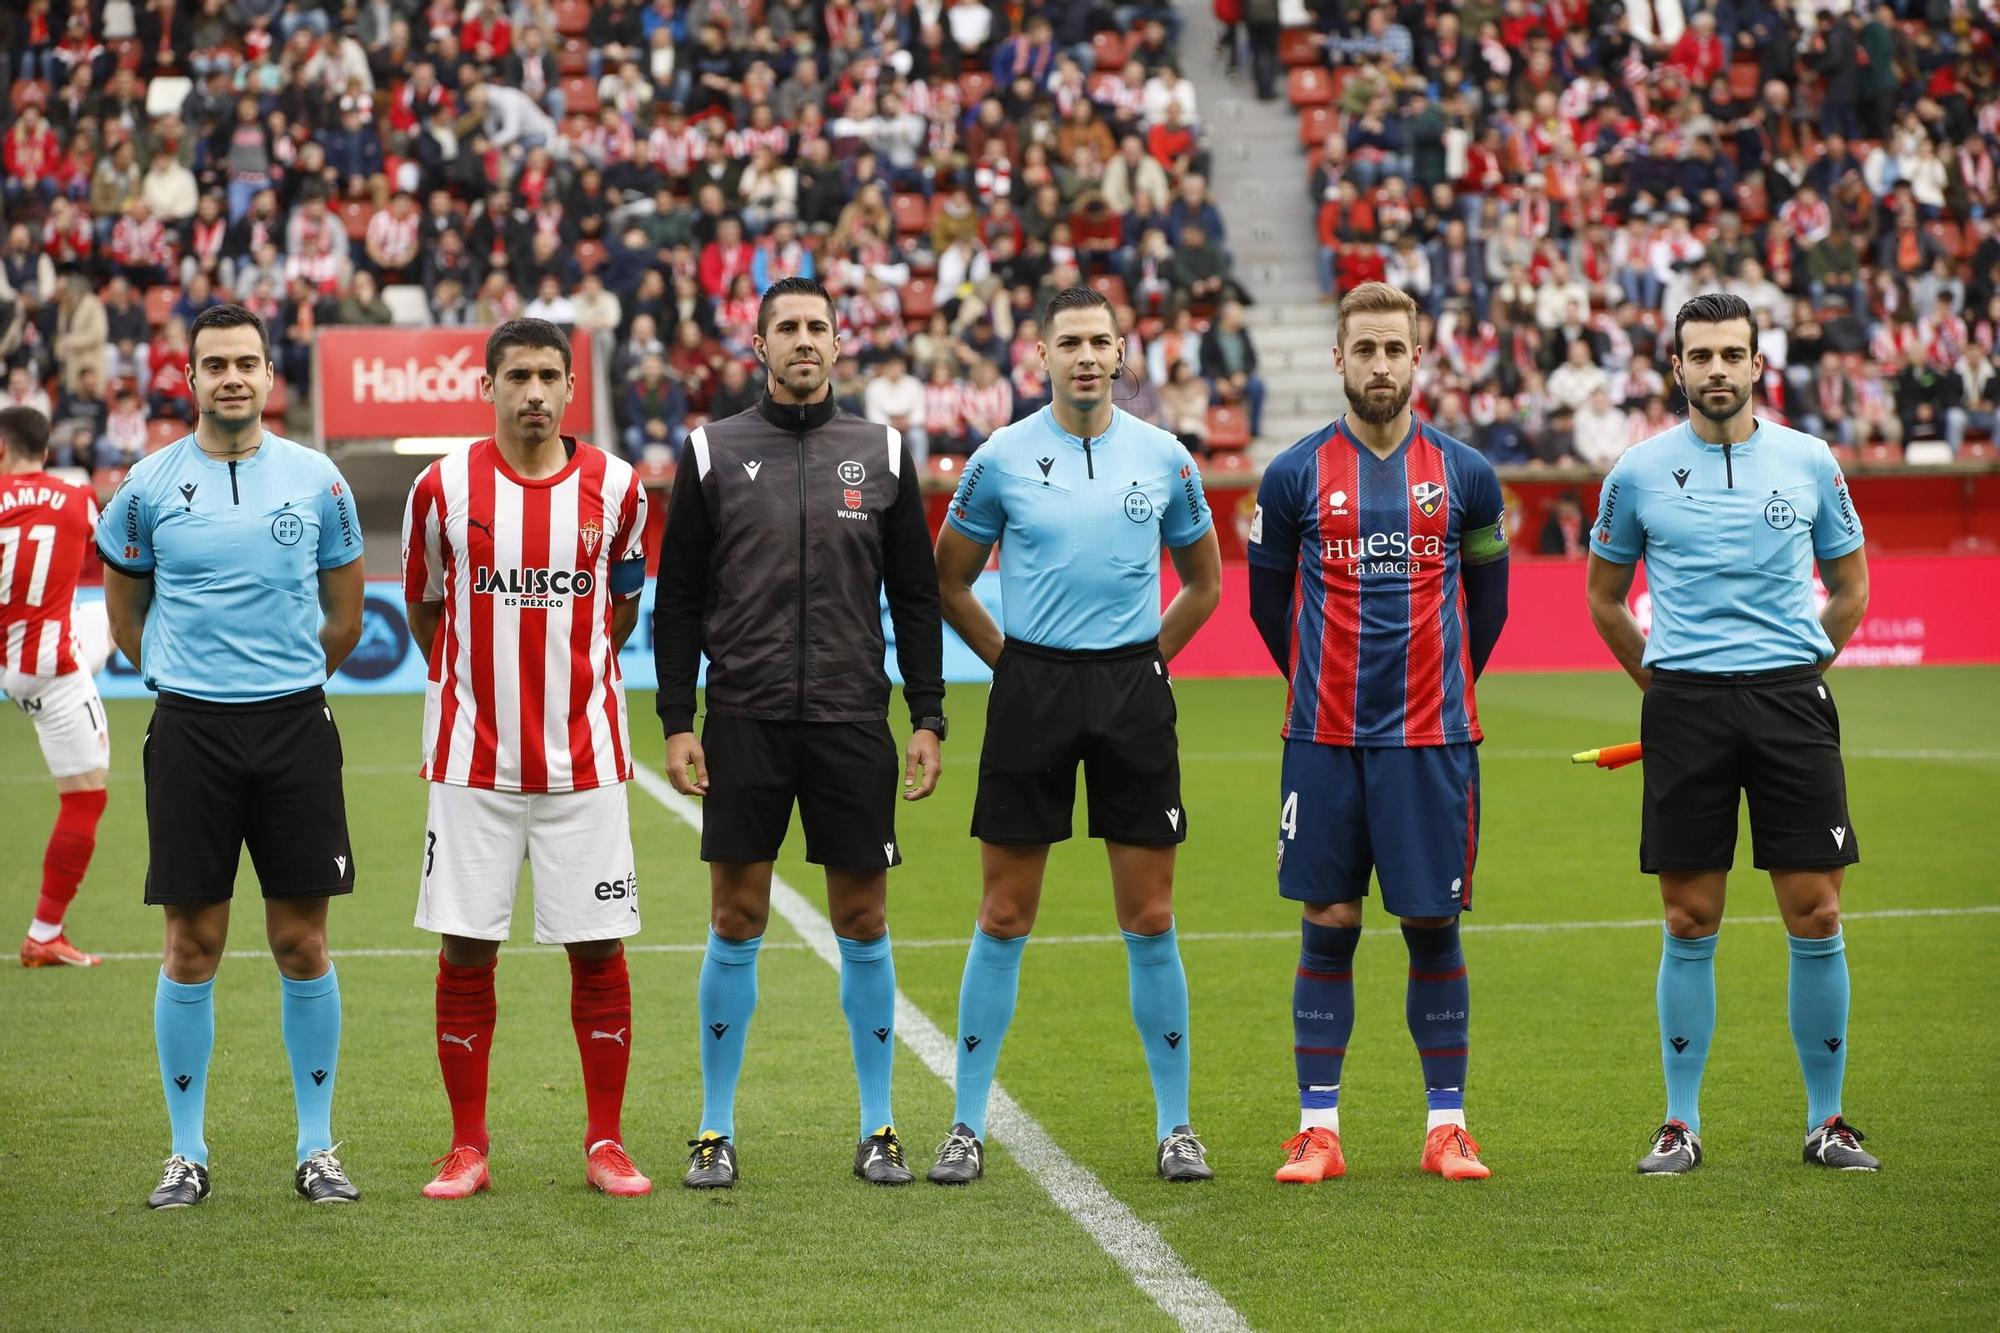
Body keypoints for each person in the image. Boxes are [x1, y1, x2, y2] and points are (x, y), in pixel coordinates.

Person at [654, 276, 946, 1189]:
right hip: (743, 717)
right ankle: (713, 1128)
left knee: (863, 917)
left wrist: (927, 714)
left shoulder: (883, 448)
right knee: (734, 916)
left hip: (853, 717)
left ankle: (879, 1126)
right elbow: (681, 601)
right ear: (760, 343)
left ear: (837, 341)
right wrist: (677, 719)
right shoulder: (710, 451)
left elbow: (917, 598)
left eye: (818, 326)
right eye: (788, 328)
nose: (805, 341)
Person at [929, 286, 1223, 1185]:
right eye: (1070, 343)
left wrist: (1152, 663)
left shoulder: (1166, 457)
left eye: (1101, 341)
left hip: (1133, 689)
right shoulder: (1001, 458)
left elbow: (1204, 582)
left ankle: (1176, 1126)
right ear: (1042, 356)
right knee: (1005, 911)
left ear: (1122, 353)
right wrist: (1010, 661)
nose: (1087, 356)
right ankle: (967, 1124)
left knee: (1151, 914)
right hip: (1034, 691)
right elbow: (948, 579)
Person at [1586, 292, 1876, 1175]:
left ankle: (1827, 1121)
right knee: (1689, 915)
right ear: (1675, 368)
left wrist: (1799, 670)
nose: (1716, 369)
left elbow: (1852, 583)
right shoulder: (1635, 472)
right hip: (1686, 706)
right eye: (1700, 355)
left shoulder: (1810, 460)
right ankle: (1681, 1123)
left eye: (1732, 354)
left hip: (1791, 703)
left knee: (1817, 911)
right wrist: (1660, 683)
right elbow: (1603, 595)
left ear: (1758, 364)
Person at [96, 304, 366, 1209]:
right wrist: (188, 680)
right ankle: (186, 1152)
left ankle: (318, 1147)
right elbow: (125, 617)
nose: (233, 378)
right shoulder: (144, 485)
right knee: (191, 944)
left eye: (246, 362)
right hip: (190, 732)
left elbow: (346, 615)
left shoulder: (318, 479)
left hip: (294, 727)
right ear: (191, 378)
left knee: (301, 940)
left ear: (268, 373)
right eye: (215, 365)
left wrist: (284, 680)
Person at [1245, 282, 1510, 1186]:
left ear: (1418, 357)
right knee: (1330, 922)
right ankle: (1319, 1129)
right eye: (1365, 349)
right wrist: (1322, 684)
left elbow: (1493, 607)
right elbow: (1266, 606)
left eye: (1395, 349)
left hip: (1432, 738)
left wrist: (1438, 692)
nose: (1381, 365)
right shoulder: (1291, 477)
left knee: (1431, 923)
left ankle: (1448, 1127)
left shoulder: (1467, 475)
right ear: (1339, 358)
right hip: (1322, 737)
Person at [401, 318, 655, 1201]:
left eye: (551, 375)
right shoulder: (441, 486)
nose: (535, 392)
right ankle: (467, 1145)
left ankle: (607, 1140)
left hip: (585, 759)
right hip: (474, 762)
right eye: (518, 376)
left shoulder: (619, 488)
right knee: (467, 948)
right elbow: (428, 609)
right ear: (488, 386)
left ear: (571, 388)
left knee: (598, 949)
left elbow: (622, 611)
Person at [1, 406, 111, 967]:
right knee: (88, 795)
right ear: (47, 450)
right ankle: (45, 933)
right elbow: (115, 558)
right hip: (55, 671)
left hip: (12, 663)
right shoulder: (74, 498)